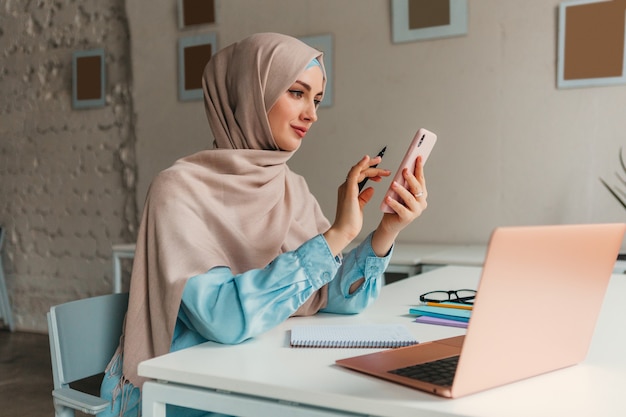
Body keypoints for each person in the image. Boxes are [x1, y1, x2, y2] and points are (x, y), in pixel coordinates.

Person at [100, 32, 429, 417]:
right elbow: (222, 319)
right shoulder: (177, 189)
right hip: (189, 391)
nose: (312, 114)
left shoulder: (291, 187)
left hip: (263, 374)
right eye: (296, 92)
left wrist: (385, 230)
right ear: (251, 93)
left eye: (317, 99)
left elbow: (331, 297)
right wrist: (335, 235)